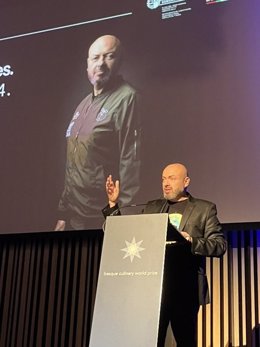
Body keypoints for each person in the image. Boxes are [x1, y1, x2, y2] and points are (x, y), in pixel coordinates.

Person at [102, 163, 226, 347]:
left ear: (186, 181)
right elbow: (129, 233)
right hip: (152, 288)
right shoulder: (153, 207)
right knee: (151, 341)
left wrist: (191, 240)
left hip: (185, 288)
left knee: (185, 340)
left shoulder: (204, 209)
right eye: (163, 178)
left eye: (172, 178)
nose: (166, 183)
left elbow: (219, 245)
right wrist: (113, 206)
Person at [55, 35, 141, 231]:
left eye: (109, 56)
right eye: (95, 58)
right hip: (76, 215)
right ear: (87, 65)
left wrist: (124, 218)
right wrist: (63, 213)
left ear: (119, 62)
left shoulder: (128, 98)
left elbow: (132, 161)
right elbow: (74, 164)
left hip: (102, 216)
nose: (101, 64)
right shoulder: (83, 104)